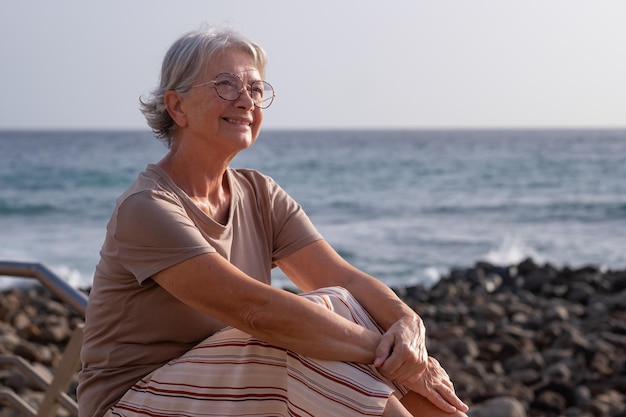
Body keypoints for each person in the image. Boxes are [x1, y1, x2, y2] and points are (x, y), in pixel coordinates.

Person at [77, 26, 469, 417]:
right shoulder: (147, 207)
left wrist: (408, 326)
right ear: (177, 107)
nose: (246, 100)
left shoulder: (259, 193)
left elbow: (343, 278)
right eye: (226, 85)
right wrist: (389, 352)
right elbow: (255, 311)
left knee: (342, 305)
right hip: (131, 403)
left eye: (256, 89)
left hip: (225, 386)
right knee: (297, 340)